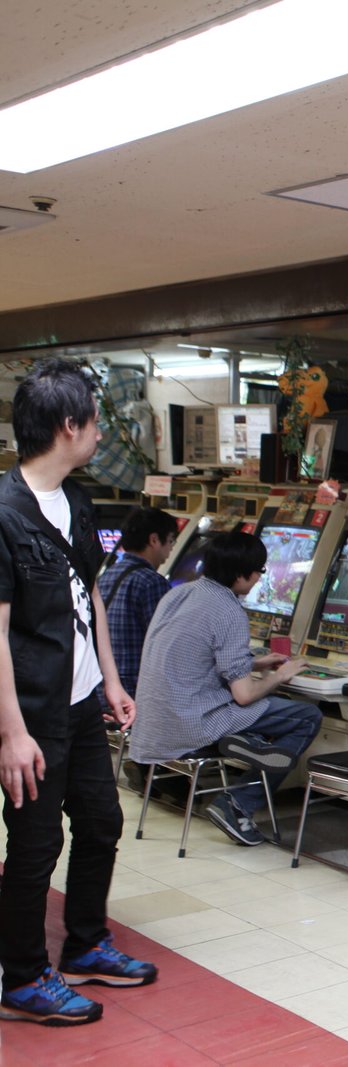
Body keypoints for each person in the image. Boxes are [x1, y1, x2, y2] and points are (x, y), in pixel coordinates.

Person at [0, 358, 157, 1027]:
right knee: (35, 846)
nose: (100, 432)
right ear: (69, 426)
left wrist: (114, 681)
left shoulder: (79, 501)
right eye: (95, 420)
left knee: (101, 821)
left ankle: (86, 942)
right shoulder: (4, 514)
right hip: (31, 714)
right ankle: (23, 975)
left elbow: (88, 592)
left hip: (82, 703)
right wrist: (11, 733)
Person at [131, 531, 322, 847]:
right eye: (259, 570)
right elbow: (244, 695)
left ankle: (250, 741)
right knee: (306, 715)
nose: (261, 577)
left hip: (155, 716)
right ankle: (237, 803)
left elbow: (197, 655)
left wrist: (255, 663)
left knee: (265, 713)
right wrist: (279, 676)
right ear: (240, 574)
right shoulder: (229, 609)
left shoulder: (180, 593)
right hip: (193, 720)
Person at [96, 506, 179, 793]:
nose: (169, 552)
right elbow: (170, 649)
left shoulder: (104, 577)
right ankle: (164, 772)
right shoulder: (151, 583)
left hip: (100, 690)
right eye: (170, 543)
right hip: (132, 696)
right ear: (155, 540)